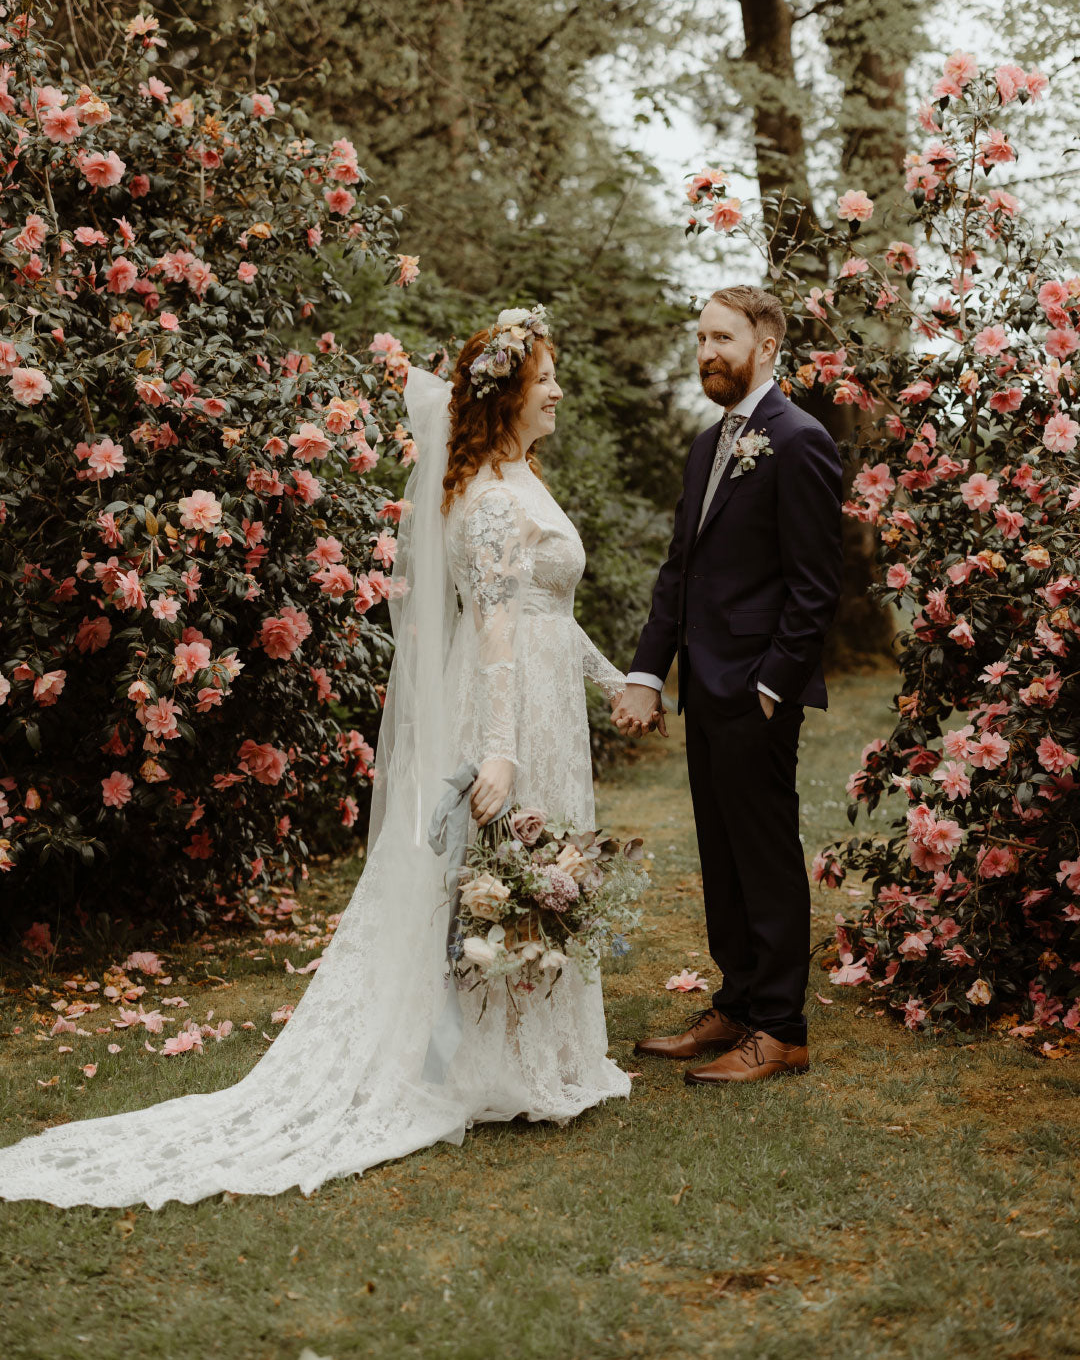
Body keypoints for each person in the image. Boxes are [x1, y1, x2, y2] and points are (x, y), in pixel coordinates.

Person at [0, 306, 630, 1209]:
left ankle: (540, 1050)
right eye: (549, 379)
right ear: (511, 396)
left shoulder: (517, 476)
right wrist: (498, 752)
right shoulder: (492, 499)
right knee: (507, 865)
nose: (561, 390)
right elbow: (493, 624)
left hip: (548, 700)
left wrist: (616, 682)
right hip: (511, 711)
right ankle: (494, 1064)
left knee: (537, 865)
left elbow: (548, 617)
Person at [614, 286, 842, 1084]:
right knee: (724, 852)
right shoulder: (708, 445)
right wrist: (648, 671)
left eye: (722, 338)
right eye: (701, 337)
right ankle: (740, 1002)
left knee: (766, 855)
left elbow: (815, 587)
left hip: (756, 692)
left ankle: (781, 1029)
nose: (707, 352)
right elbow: (682, 571)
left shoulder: (801, 440)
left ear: (766, 345)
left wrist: (772, 687)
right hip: (704, 691)